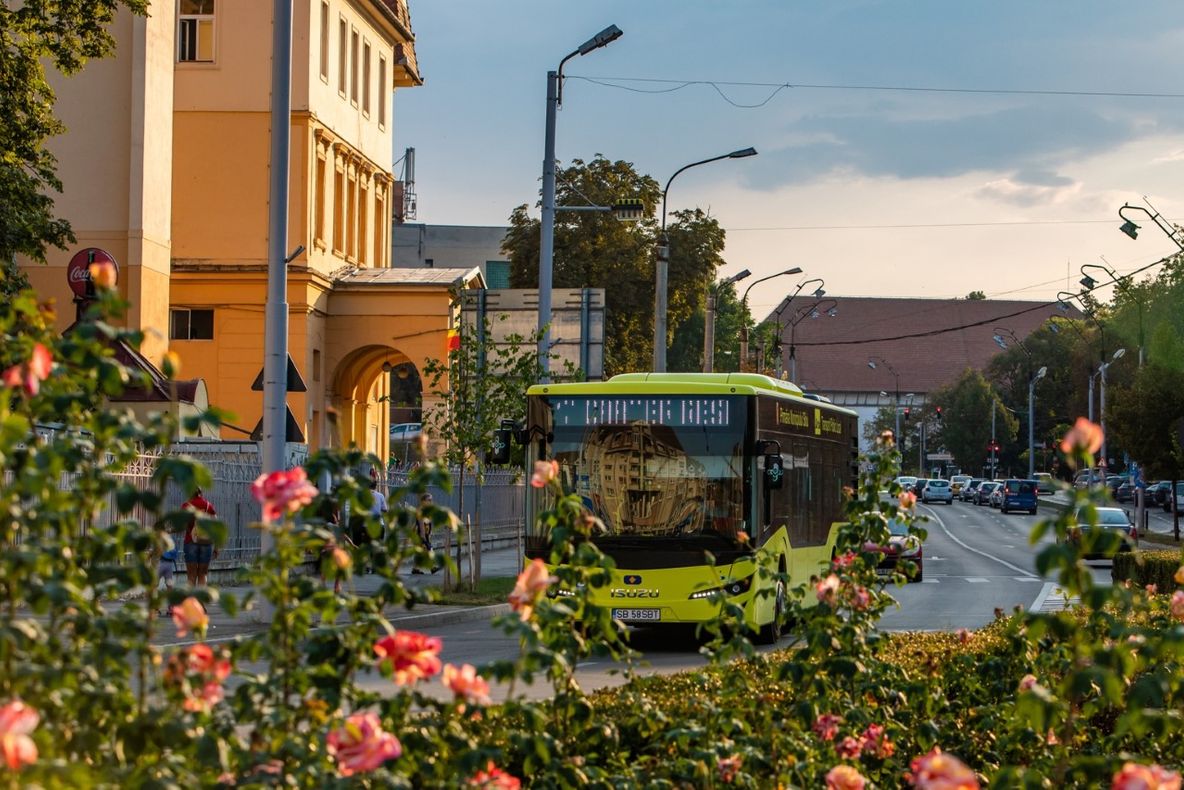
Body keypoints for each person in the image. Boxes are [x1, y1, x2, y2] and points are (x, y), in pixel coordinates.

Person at [182, 488, 218, 589]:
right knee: (203, 574)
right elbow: (216, 525)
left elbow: (181, 524)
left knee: (191, 575)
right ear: (201, 493)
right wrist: (216, 547)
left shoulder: (186, 506)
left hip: (190, 542)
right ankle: (200, 601)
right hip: (206, 543)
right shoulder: (208, 505)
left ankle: (191, 603)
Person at [413, 492, 437, 574]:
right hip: (420, 534)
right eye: (429, 500)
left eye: (431, 500)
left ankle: (415, 569)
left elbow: (429, 523)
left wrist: (430, 533)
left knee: (420, 552)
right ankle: (433, 567)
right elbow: (421, 524)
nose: (431, 502)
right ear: (423, 501)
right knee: (430, 549)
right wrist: (423, 536)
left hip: (425, 534)